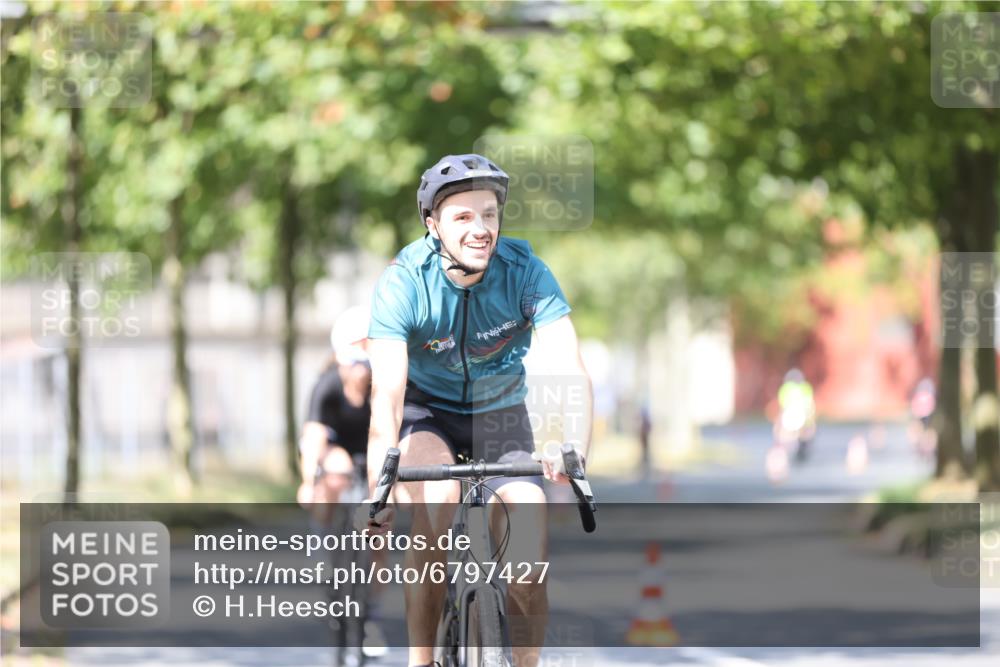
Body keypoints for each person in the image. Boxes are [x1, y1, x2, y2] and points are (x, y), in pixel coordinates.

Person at [364, 153, 593, 667]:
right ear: (433, 225)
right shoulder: (404, 282)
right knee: (437, 501)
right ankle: (419, 661)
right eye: (463, 217)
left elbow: (568, 364)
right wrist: (382, 478)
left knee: (528, 556)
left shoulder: (525, 272)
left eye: (489, 214)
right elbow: (388, 394)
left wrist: (572, 442)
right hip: (428, 415)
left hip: (500, 412)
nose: (481, 228)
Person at [298, 305, 373, 513]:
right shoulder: (327, 385)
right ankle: (324, 536)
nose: (361, 372)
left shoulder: (379, 387)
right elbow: (314, 436)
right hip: (333, 448)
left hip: (368, 447)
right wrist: (308, 482)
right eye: (355, 363)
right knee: (337, 471)